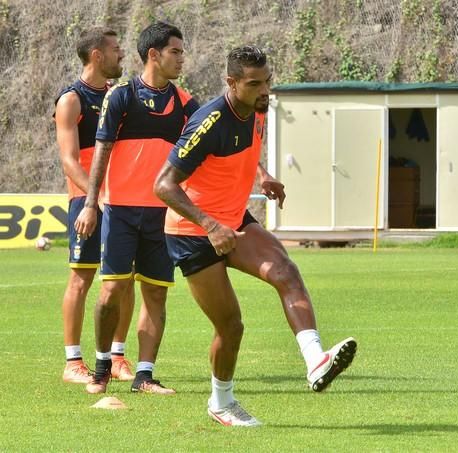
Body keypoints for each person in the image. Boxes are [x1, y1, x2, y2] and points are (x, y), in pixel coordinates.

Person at [154, 45, 356, 427]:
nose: (265, 90)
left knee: (286, 271)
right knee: (231, 325)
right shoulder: (208, 121)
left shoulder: (257, 108)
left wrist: (262, 175)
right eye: (255, 84)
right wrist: (210, 225)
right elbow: (163, 185)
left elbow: (244, 145)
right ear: (231, 83)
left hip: (234, 218)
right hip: (193, 232)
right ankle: (221, 403)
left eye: (268, 81)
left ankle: (315, 362)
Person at [75, 21, 199, 395]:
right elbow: (102, 151)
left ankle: (144, 376)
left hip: (163, 215)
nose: (181, 58)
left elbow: (213, 129)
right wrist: (91, 204)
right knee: (111, 291)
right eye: (175, 51)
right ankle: (101, 369)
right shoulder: (122, 96)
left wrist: (261, 170)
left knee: (156, 293)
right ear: (153, 54)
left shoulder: (183, 101)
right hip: (120, 211)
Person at [54, 27, 136, 385]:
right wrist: (95, 197)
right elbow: (69, 160)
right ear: (97, 56)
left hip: (121, 200)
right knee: (82, 277)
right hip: (86, 200)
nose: (122, 55)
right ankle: (73, 362)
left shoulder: (120, 97)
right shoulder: (71, 99)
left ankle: (117, 356)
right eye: (116, 49)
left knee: (125, 279)